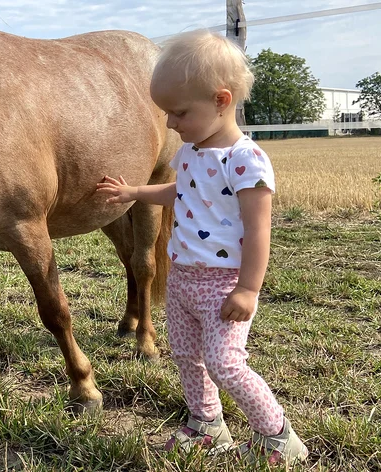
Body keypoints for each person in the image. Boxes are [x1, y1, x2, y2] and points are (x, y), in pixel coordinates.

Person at [96, 29, 308, 465]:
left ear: (221, 100)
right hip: (183, 277)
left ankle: (278, 436)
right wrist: (135, 191)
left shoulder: (246, 160)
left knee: (225, 362)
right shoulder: (192, 152)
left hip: (222, 283)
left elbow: (259, 228)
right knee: (188, 356)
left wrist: (248, 289)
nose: (170, 124)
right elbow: (182, 190)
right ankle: (206, 423)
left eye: (179, 113)